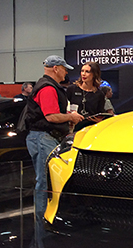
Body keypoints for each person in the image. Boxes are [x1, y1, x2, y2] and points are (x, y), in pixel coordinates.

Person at [19, 55, 84, 232]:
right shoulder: (48, 88)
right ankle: (42, 221)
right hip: (43, 138)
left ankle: (44, 219)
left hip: (43, 137)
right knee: (44, 181)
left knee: (46, 180)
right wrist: (71, 117)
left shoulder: (47, 86)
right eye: (64, 69)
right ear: (56, 68)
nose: (66, 73)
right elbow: (51, 116)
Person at [66, 61, 106, 131]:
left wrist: (98, 120)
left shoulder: (99, 94)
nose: (83, 74)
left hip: (91, 128)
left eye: (87, 72)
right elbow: (64, 106)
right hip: (74, 128)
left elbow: (100, 113)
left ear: (94, 74)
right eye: (82, 71)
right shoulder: (72, 89)